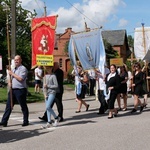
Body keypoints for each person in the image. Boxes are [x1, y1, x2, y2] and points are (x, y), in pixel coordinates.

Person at [0, 55, 29, 127]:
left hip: (20, 90)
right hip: (12, 90)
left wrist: (12, 73)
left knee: (23, 106)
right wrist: (9, 82)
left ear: (20, 60)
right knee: (8, 106)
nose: (16, 61)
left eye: (17, 60)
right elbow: (11, 77)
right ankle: (4, 121)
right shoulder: (14, 69)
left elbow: (20, 79)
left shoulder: (23, 69)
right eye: (15, 60)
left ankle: (25, 120)